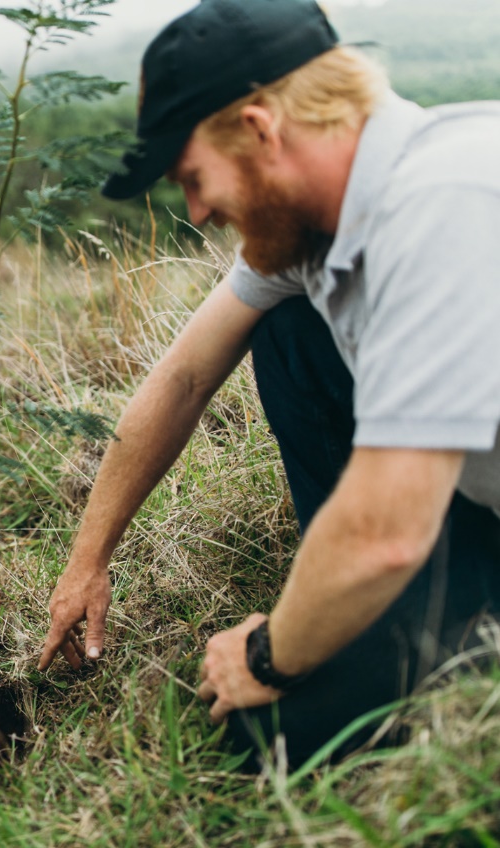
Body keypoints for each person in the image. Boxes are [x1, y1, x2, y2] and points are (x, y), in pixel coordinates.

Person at [39, 0, 500, 769]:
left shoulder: (447, 202)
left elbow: (384, 532)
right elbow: (184, 375)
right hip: (465, 504)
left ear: (259, 130)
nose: (195, 211)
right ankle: (375, 616)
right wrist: (88, 560)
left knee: (265, 735)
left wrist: (266, 654)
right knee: (283, 328)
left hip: (416, 524)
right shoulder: (319, 224)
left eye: (193, 178)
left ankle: (409, 636)